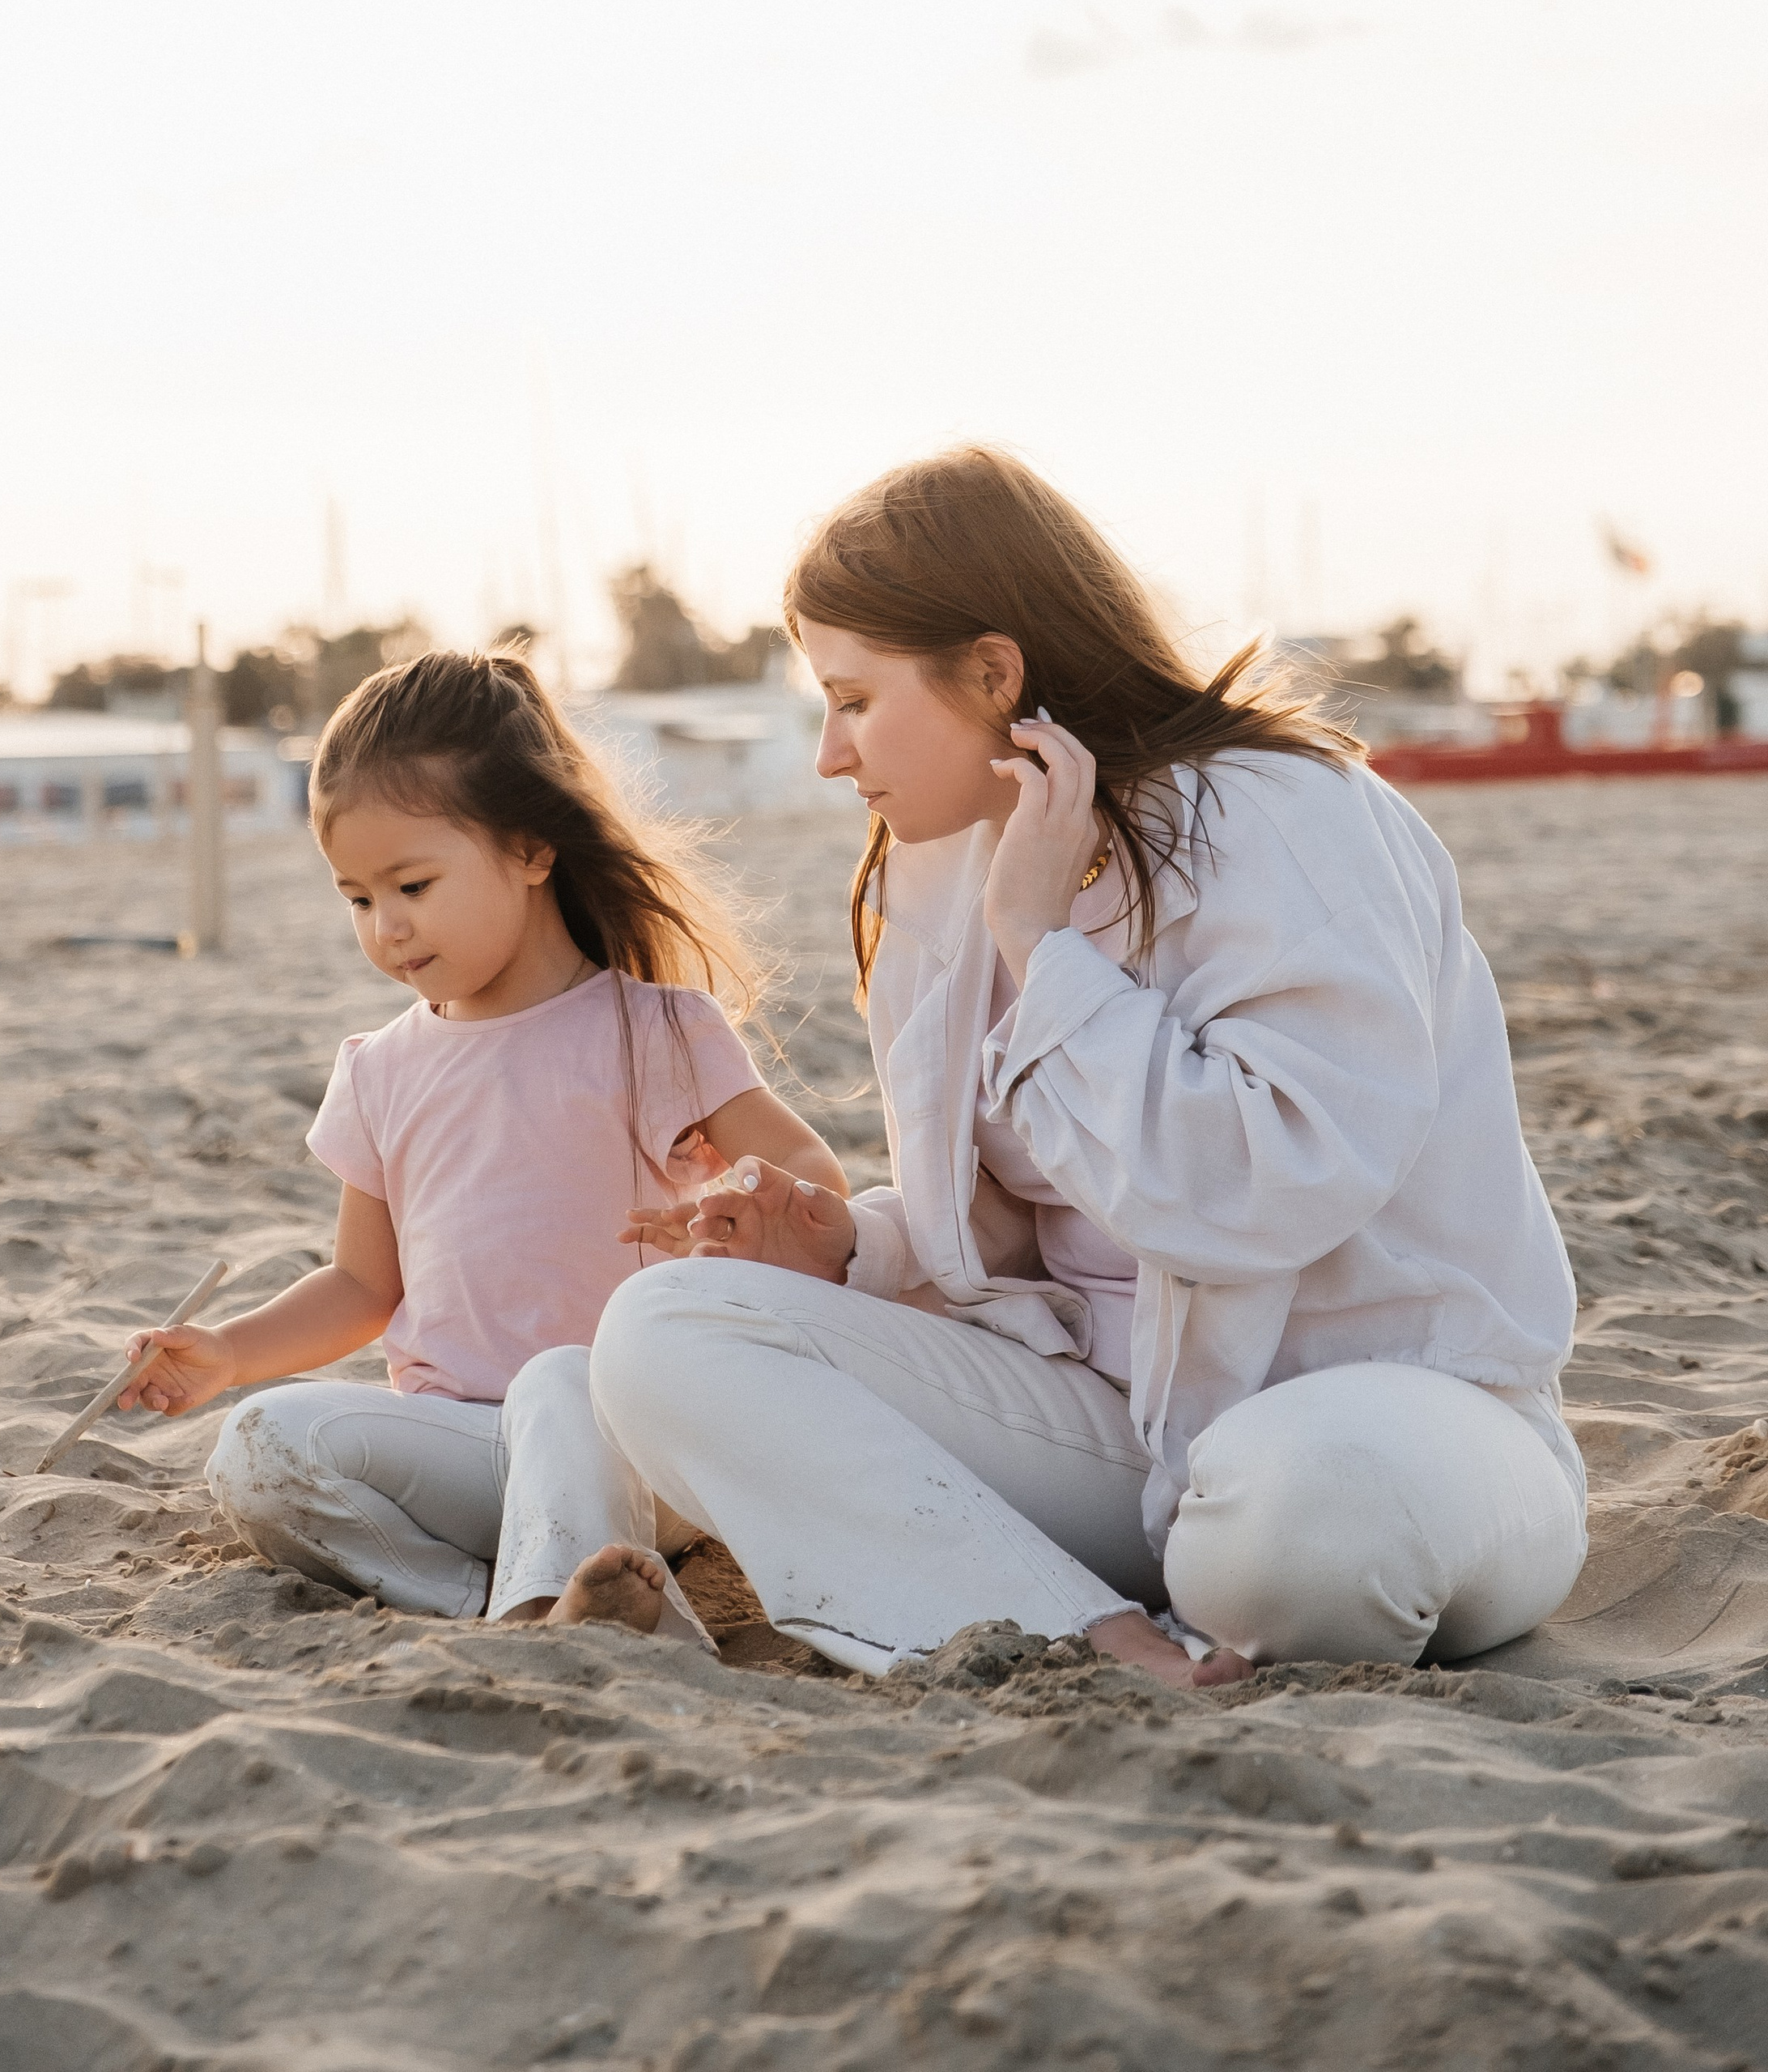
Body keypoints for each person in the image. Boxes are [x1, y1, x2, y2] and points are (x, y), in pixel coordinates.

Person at [595, 447, 1586, 1687]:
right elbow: (1031, 1236)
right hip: (1121, 1440)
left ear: (994, 671)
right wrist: (853, 1250)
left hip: (1395, 1429)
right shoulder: (944, 865)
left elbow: (1243, 1196)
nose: (831, 757)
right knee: (664, 1330)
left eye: (853, 701)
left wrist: (1043, 947)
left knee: (1300, 1527)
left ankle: (1193, 1600)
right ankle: (1089, 1635)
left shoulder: (1287, 816)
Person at [110, 649, 846, 1637]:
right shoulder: (378, 1068)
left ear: (532, 849)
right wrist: (231, 1352)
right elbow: (364, 1289)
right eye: (358, 898)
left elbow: (814, 1177)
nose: (387, 929)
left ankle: (556, 1597)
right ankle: (501, 1605)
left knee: (557, 1379)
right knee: (256, 1446)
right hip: (464, 1444)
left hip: (634, 1436)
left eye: (412, 883)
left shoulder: (656, 1028)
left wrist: (731, 1212)